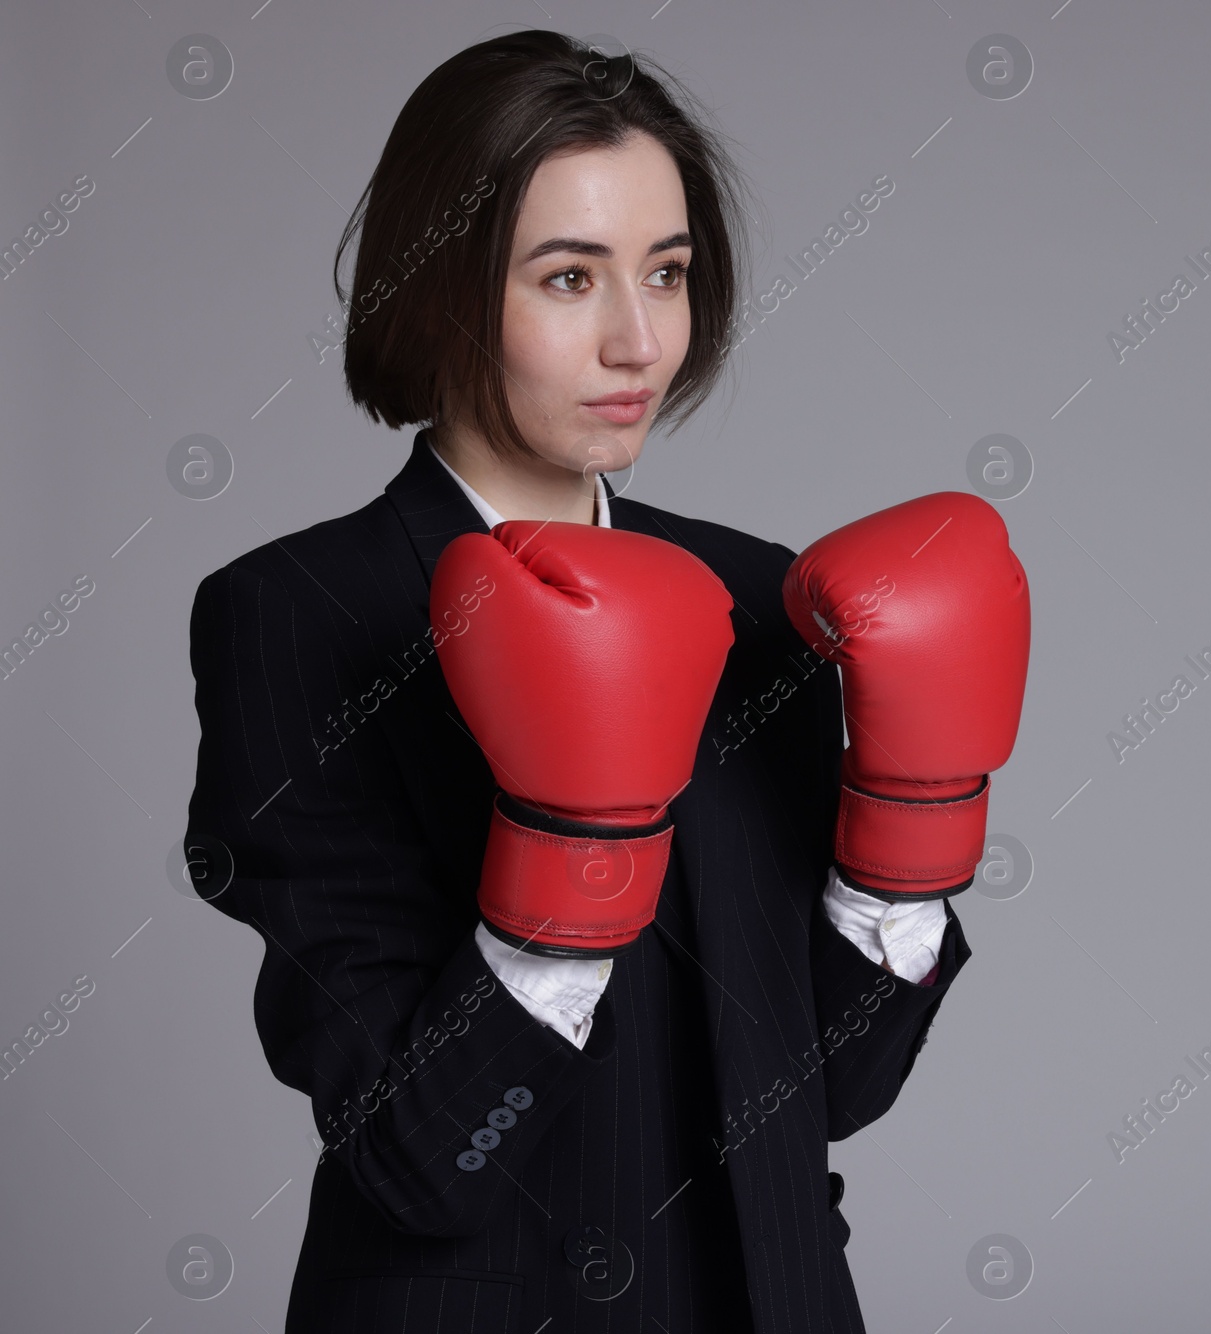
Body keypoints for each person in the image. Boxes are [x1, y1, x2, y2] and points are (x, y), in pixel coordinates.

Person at [180, 29, 1027, 1333]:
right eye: (570, 277)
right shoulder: (299, 617)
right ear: (441, 288)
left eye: (669, 273)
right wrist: (563, 871)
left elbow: (830, 1096)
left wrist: (903, 853)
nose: (641, 339)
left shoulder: (764, 596)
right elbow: (419, 1158)